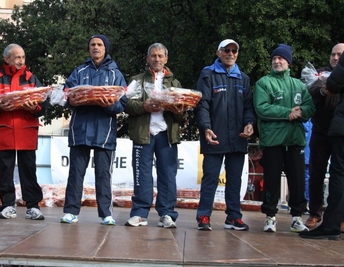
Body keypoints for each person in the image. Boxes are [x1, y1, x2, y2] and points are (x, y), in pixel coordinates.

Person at [60, 34, 126, 225]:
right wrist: (72, 100)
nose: (96, 47)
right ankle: (71, 212)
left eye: (99, 44)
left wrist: (108, 105)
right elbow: (66, 95)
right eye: (92, 45)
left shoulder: (116, 74)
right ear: (89, 49)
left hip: (105, 133)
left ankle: (106, 213)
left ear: (106, 48)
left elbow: (122, 104)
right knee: (76, 173)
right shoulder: (79, 71)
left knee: (103, 174)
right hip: (79, 130)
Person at [0, 43, 48, 220]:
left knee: (29, 170)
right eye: (17, 57)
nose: (21, 61)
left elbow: (44, 105)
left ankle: (33, 206)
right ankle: (8, 205)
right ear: (6, 58)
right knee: (5, 170)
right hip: (5, 131)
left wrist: (34, 108)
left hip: (26, 131)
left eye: (23, 57)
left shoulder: (32, 78)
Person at [194, 39, 256, 231]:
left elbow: (248, 107)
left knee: (235, 179)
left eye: (234, 51)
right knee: (210, 178)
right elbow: (202, 104)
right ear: (218, 53)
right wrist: (205, 127)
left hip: (238, 138)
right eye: (226, 50)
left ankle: (233, 217)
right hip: (214, 136)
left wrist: (249, 124)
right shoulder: (208, 74)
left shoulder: (243, 78)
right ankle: (204, 215)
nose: (230, 54)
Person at [253, 44, 315, 233]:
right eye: (274, 59)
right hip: (272, 141)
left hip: (295, 141)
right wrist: (288, 113)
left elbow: (310, 107)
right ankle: (270, 217)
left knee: (297, 181)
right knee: (271, 180)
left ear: (288, 62)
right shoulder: (264, 83)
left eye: (281, 58)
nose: (277, 61)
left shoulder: (299, 85)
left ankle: (297, 218)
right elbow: (262, 108)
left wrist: (301, 112)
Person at [124, 43, 186, 228]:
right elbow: (126, 104)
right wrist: (144, 106)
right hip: (144, 133)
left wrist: (179, 110)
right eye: (153, 56)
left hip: (166, 134)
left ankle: (167, 213)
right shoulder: (137, 81)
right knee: (141, 174)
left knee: (167, 174)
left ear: (166, 59)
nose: (157, 59)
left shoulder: (175, 84)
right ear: (147, 58)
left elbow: (181, 114)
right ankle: (140, 213)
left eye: (160, 56)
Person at [299, 51, 344, 240]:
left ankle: (333, 223)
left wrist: (329, 86)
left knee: (339, 175)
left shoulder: (331, 76)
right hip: (322, 131)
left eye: (340, 55)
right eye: (333, 54)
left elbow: (334, 83)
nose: (336, 58)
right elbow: (312, 94)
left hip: (339, 131)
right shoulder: (317, 74)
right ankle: (316, 213)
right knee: (317, 173)